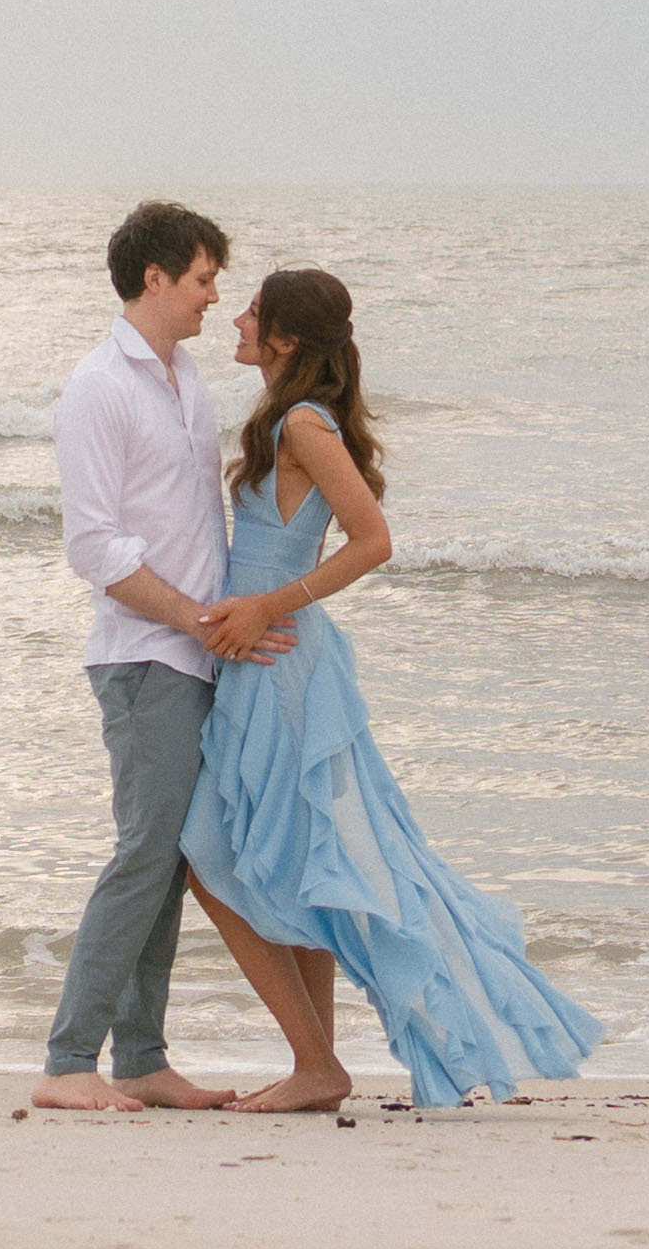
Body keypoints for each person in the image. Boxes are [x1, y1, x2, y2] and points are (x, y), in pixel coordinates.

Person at [176, 263, 594, 1114]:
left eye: (253, 310)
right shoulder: (286, 418)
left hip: (282, 661)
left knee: (212, 862)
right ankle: (316, 1067)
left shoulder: (301, 423)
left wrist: (263, 604)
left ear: (285, 338)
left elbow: (372, 539)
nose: (238, 320)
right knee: (301, 861)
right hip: (269, 660)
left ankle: (315, 1063)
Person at [31, 197, 282, 1109]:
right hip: (143, 655)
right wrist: (192, 617)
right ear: (155, 276)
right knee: (145, 850)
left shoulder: (186, 382)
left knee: (170, 857)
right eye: (204, 278)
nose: (215, 297)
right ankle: (67, 1062)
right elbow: (93, 546)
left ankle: (138, 1057)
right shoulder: (99, 386)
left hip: (193, 654)